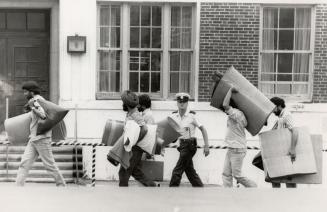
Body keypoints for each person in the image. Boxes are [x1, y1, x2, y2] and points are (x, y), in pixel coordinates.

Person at [16, 81, 66, 186]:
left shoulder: (37, 100)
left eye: (26, 92)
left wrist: (32, 108)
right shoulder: (35, 100)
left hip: (41, 138)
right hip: (34, 138)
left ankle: (61, 185)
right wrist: (30, 110)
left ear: (32, 92)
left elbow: (43, 115)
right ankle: (18, 187)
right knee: (24, 163)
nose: (24, 94)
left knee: (49, 165)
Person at [169, 93, 210, 187]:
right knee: (190, 171)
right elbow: (172, 134)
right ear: (177, 103)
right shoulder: (174, 116)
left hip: (189, 145)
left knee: (177, 171)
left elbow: (203, 129)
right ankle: (199, 187)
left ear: (187, 103)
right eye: (180, 102)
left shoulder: (192, 116)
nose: (182, 104)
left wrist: (206, 145)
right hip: (182, 145)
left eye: (184, 102)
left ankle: (171, 191)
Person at [118, 90, 157, 187]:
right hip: (133, 148)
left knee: (124, 172)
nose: (122, 104)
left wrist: (135, 142)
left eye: (123, 102)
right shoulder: (131, 114)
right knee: (135, 171)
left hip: (135, 149)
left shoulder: (136, 115)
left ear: (126, 104)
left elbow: (144, 129)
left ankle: (121, 196)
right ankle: (153, 186)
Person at [221, 86, 257, 188]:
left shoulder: (237, 114)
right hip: (232, 148)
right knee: (226, 174)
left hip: (237, 149)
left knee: (237, 175)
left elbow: (225, 104)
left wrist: (230, 90)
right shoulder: (237, 115)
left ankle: (254, 187)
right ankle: (228, 194)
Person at [269, 97, 298, 188]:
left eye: (273, 108)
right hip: (279, 153)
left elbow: (295, 131)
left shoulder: (286, 115)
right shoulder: (280, 117)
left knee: (289, 181)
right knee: (275, 179)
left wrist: (292, 149)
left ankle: (290, 201)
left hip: (286, 153)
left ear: (279, 106)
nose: (272, 111)